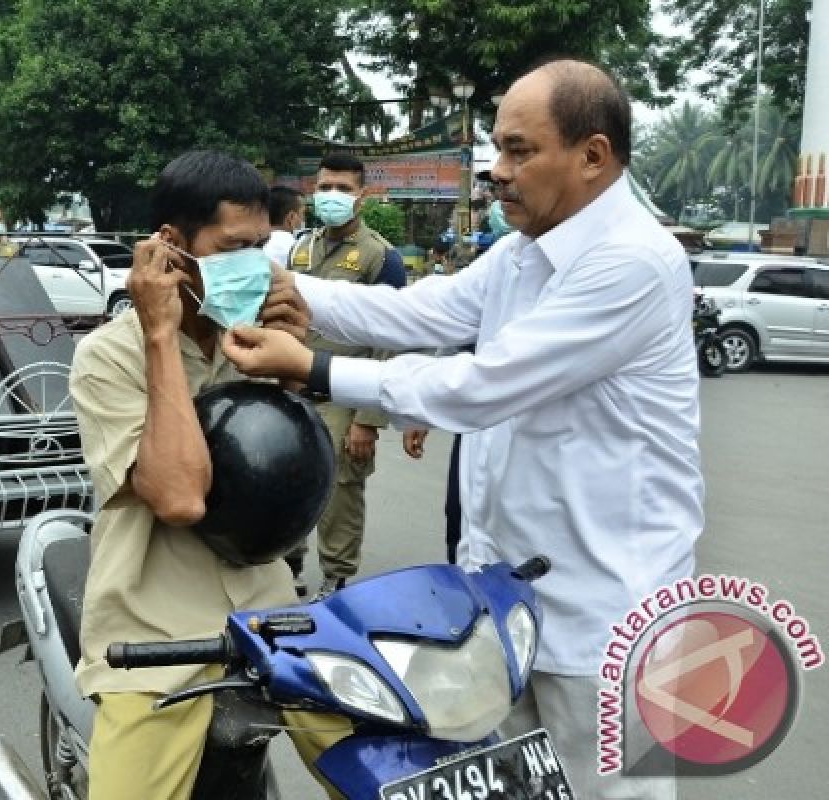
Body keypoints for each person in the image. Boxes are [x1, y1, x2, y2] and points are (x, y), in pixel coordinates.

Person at [221, 59, 700, 800]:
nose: (497, 172)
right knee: (511, 787)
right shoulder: (522, 253)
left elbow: (485, 385)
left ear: (593, 155)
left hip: (607, 613)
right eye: (496, 152)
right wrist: (286, 287)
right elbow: (424, 314)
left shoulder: (634, 261)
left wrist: (315, 370)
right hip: (512, 606)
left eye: (519, 150)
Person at [70, 150, 348, 800]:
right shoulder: (107, 357)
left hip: (270, 612)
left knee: (386, 761)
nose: (252, 264)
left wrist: (292, 372)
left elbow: (288, 473)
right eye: (232, 248)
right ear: (170, 246)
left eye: (260, 246)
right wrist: (161, 336)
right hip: (155, 633)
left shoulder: (251, 338)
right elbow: (179, 496)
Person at [286, 152, 406, 600]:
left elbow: (391, 339)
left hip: (343, 392)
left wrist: (368, 419)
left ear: (362, 196)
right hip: (293, 388)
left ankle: (335, 579)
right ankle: (287, 565)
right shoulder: (301, 246)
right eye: (324, 187)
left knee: (340, 491)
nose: (331, 196)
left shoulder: (381, 257)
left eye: (343, 189)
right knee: (287, 476)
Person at [262, 185, 305, 266]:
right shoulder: (296, 248)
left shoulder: (254, 245)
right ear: (291, 217)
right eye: (302, 214)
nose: (303, 220)